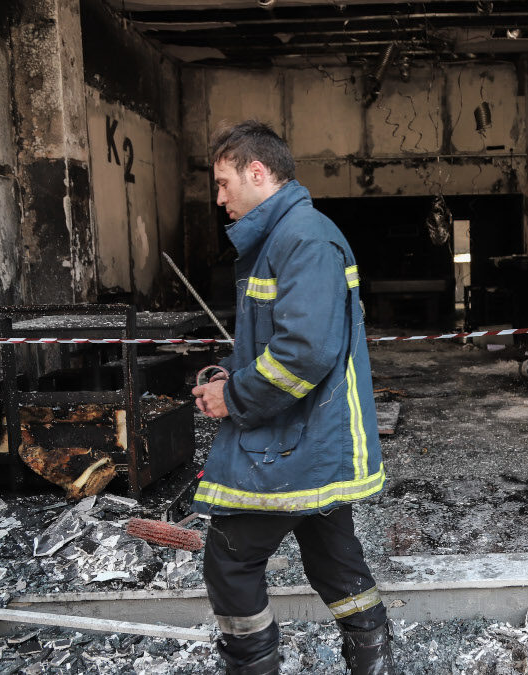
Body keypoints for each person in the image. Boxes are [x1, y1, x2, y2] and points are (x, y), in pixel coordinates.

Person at [190, 120, 393, 675]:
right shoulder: (283, 238)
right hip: (308, 438)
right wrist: (228, 374)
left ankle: (251, 665)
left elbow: (303, 352)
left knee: (230, 562)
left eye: (225, 182)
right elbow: (275, 341)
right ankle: (373, 657)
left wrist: (234, 397)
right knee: (332, 556)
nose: (219, 197)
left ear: (258, 172)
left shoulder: (303, 238)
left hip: (297, 440)